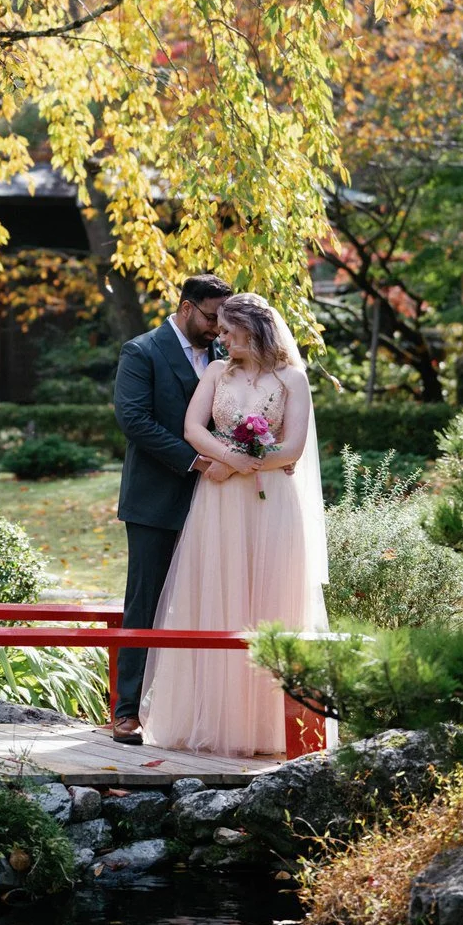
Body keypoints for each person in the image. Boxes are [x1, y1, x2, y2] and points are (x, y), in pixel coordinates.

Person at [139, 291, 329, 758]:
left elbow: (293, 449)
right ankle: (211, 719)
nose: (220, 338)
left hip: (271, 503)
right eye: (219, 329)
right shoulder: (215, 372)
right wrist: (226, 458)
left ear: (253, 330)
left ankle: (269, 726)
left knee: (269, 596)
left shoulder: (293, 378)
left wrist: (243, 464)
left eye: (228, 331)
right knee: (217, 596)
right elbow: (192, 429)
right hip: (219, 499)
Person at [110, 273, 232, 743]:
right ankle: (126, 710)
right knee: (145, 602)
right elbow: (134, 420)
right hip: (155, 500)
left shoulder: (226, 356)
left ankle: (197, 711)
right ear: (185, 307)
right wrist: (197, 461)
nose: (218, 328)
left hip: (218, 502)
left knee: (208, 602)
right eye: (211, 317)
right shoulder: (141, 351)